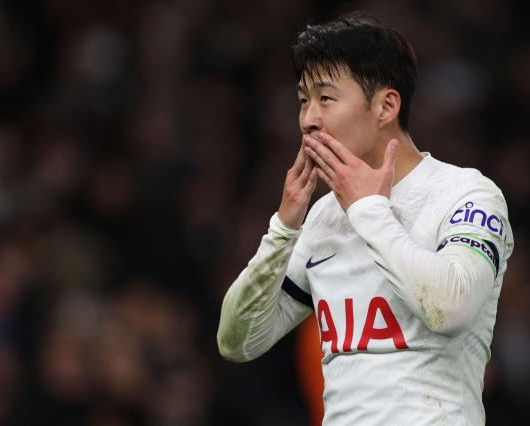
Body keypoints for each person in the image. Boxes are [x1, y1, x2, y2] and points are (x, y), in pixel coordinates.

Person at [217, 12, 514, 425]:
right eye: (303, 101)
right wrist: (282, 230)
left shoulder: (466, 194)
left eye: (325, 98)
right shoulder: (322, 219)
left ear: (386, 106)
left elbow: (450, 309)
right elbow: (237, 341)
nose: (308, 120)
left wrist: (368, 210)